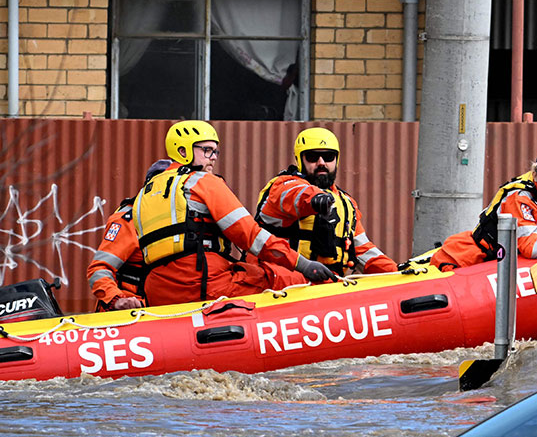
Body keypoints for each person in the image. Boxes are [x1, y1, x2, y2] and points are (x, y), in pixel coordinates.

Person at [131, 120, 333, 306]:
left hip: (158, 291)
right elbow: (250, 235)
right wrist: (303, 264)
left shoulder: (143, 196)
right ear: (182, 151)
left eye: (215, 152)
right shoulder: (203, 181)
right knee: (283, 278)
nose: (213, 158)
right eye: (206, 150)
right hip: (203, 282)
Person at [255, 127, 397, 276]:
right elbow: (296, 194)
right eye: (312, 157)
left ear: (336, 159)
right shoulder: (283, 186)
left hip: (329, 283)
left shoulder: (346, 203)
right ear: (299, 159)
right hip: (281, 282)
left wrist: (397, 271)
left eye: (328, 156)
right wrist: (316, 198)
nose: (321, 162)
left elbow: (364, 251)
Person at [87, 159, 172, 311]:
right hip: (128, 312)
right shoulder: (128, 220)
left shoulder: (178, 221)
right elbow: (99, 269)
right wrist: (117, 299)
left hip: (161, 310)